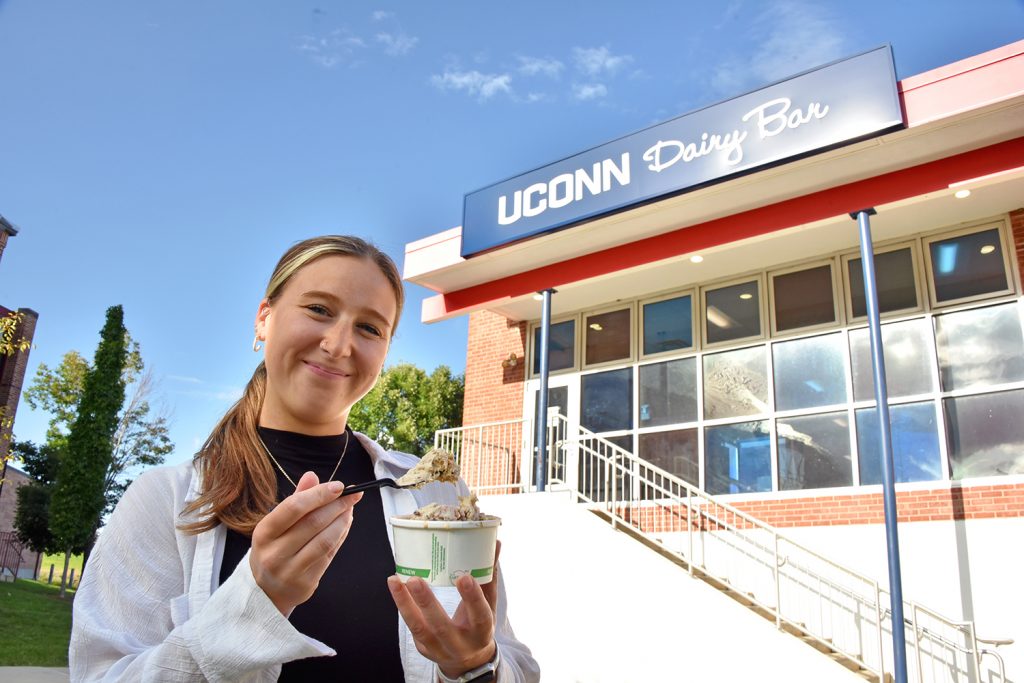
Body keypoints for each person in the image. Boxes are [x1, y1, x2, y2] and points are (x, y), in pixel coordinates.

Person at [70, 236, 540, 682]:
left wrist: (478, 664)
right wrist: (256, 602)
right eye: (318, 309)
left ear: (385, 353)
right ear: (263, 318)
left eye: (369, 328)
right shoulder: (165, 501)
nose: (339, 345)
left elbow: (514, 663)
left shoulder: (436, 495)